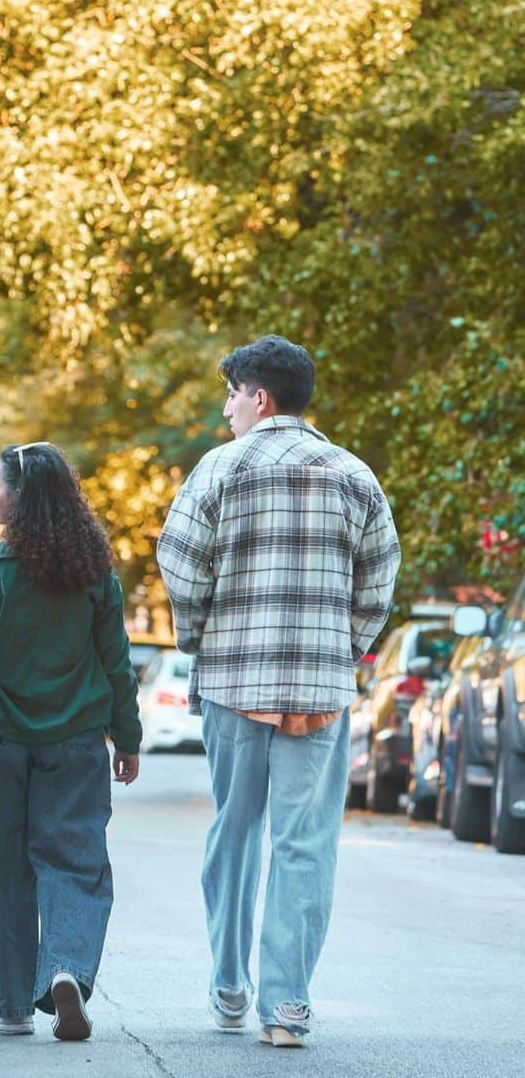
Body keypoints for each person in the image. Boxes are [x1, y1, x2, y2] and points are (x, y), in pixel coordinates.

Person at [156, 335, 400, 1047]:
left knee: (234, 830)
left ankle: (230, 983)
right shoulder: (355, 475)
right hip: (322, 686)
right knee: (306, 844)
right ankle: (286, 1006)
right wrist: (346, 644)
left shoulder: (219, 470)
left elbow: (180, 563)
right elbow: (379, 575)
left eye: (232, 394)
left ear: (259, 397)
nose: (226, 409)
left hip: (235, 682)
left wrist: (197, 635)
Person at [0, 441, 141, 1042]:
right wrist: (126, 737)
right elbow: (117, 664)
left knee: (1, 869)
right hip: (77, 743)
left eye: (0, 486)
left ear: (20, 499)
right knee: (75, 864)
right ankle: (67, 970)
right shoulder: (95, 576)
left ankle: (9, 1004)